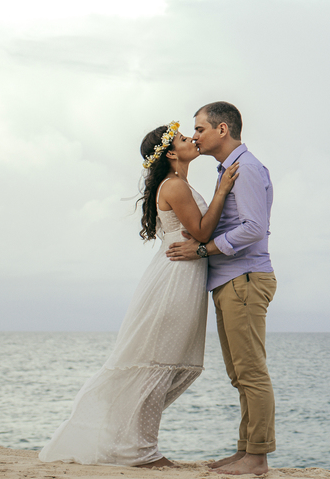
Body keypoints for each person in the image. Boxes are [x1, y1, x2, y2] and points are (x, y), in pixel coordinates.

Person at [40, 122, 240, 468]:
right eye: (181, 138)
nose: (191, 138)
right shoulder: (175, 186)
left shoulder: (180, 183)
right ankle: (143, 453)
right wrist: (222, 191)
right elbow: (203, 230)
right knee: (158, 362)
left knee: (167, 364)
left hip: (185, 276)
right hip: (174, 280)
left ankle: (130, 443)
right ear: (172, 153)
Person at [167, 101, 276, 477]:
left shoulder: (245, 169)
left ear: (222, 130)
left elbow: (252, 229)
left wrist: (201, 250)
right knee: (239, 373)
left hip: (244, 277)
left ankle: (257, 458)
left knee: (251, 372)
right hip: (232, 279)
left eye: (199, 129)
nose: (195, 136)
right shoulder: (229, 169)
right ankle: (245, 451)